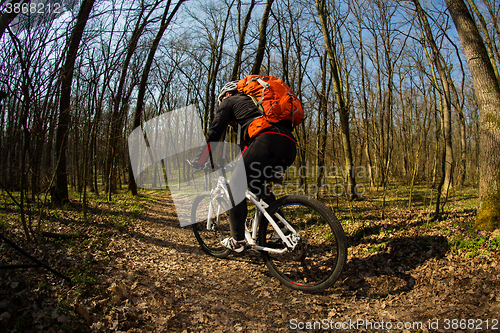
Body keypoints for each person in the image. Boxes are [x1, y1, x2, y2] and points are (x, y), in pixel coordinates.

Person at [189, 80, 297, 252]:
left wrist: (200, 159)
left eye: (221, 99)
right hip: (289, 144)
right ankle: (283, 229)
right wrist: (236, 164)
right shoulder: (256, 109)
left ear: (226, 94)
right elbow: (251, 147)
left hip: (268, 141)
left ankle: (237, 241)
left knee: (235, 188)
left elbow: (215, 132)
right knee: (260, 189)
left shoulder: (229, 101)